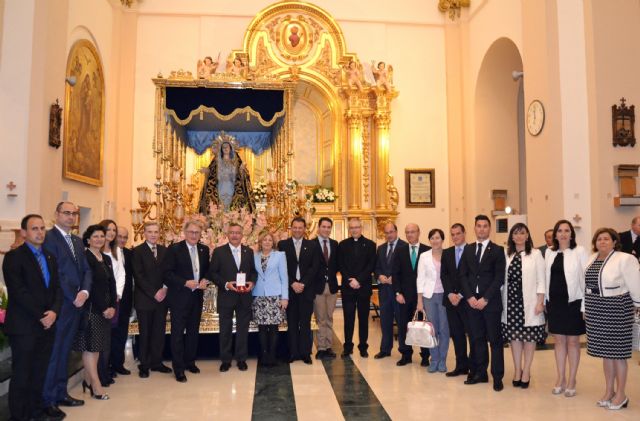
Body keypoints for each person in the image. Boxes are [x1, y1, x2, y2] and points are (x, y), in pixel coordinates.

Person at [2, 214, 62, 421]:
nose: (40, 232)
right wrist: (41, 315)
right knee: (22, 374)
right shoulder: (14, 257)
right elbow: (19, 291)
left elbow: (57, 289)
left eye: (42, 228)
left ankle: (36, 412)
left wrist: (54, 312)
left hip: (47, 325)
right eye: (34, 228)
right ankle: (19, 416)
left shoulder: (50, 257)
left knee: (39, 372)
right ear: (24, 232)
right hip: (24, 326)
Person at [42, 202, 91, 418]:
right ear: (57, 214)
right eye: (67, 213)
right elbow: (56, 273)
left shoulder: (77, 241)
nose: (71, 217)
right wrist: (73, 296)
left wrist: (85, 292)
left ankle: (61, 393)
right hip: (61, 305)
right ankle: (48, 399)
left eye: (74, 214)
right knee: (54, 354)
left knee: (65, 352)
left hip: (76, 304)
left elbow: (86, 270)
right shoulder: (49, 239)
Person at [584, 228, 640, 410]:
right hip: (595, 309)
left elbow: (636, 284)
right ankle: (609, 391)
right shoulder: (592, 258)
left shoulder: (625, 259)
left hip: (617, 309)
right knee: (606, 355)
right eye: (599, 239)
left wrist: (638, 305)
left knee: (618, 354)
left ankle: (621, 394)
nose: (602, 242)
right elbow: (586, 286)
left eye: (606, 239)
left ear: (614, 242)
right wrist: (585, 308)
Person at [459, 215, 506, 392]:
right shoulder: (468, 249)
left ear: (489, 229)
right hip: (472, 302)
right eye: (479, 226)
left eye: (485, 226)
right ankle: (480, 373)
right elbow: (462, 275)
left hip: (490, 303)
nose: (482, 229)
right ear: (474, 228)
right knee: (477, 339)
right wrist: (469, 297)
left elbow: (499, 277)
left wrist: (485, 299)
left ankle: (497, 376)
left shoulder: (498, 250)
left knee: (495, 340)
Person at [544, 219, 588, 397]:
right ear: (555, 234)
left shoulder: (579, 251)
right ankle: (561, 378)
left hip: (573, 303)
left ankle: (572, 379)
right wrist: (544, 300)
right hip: (555, 303)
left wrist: (585, 305)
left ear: (571, 234)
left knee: (573, 342)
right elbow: (545, 277)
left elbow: (585, 279)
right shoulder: (549, 252)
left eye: (566, 230)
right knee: (559, 341)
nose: (563, 234)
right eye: (560, 231)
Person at [164, 220, 210, 383]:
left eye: (197, 232)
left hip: (196, 298)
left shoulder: (204, 249)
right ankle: (178, 369)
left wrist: (205, 280)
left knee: (193, 332)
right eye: (191, 232)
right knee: (177, 334)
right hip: (179, 298)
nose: (194, 235)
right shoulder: (174, 249)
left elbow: (207, 271)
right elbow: (167, 274)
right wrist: (184, 282)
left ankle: (190, 362)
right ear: (185, 233)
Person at [500, 223, 546, 389]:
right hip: (510, 302)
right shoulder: (507, 254)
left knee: (529, 337)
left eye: (522, 233)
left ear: (527, 236)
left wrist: (540, 301)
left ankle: (526, 371)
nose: (519, 236)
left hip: (530, 302)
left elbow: (541, 279)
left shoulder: (535, 254)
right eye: (516, 233)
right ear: (511, 237)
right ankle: (517, 370)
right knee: (514, 338)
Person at [74, 224, 117, 401]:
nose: (99, 239)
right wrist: (103, 308)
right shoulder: (86, 258)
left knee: (97, 347)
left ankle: (87, 380)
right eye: (95, 236)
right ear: (88, 239)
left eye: (102, 236)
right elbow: (89, 286)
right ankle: (96, 385)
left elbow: (112, 284)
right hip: (92, 309)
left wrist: (113, 305)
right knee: (91, 348)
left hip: (106, 308)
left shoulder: (105, 258)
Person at [208, 222, 257, 372]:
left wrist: (252, 282)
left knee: (243, 329)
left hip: (244, 297)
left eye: (237, 233)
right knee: (225, 330)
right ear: (227, 234)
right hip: (226, 296)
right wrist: (226, 284)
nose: (235, 235)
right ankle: (226, 360)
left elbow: (253, 272)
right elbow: (212, 273)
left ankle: (241, 359)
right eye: (232, 232)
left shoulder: (249, 251)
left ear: (242, 235)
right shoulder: (219, 252)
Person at [132, 222, 171, 378]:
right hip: (145, 299)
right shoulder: (137, 251)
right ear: (144, 233)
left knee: (159, 333)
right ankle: (144, 365)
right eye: (150, 231)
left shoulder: (165, 251)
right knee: (145, 333)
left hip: (162, 298)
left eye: (156, 232)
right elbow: (138, 276)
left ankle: (157, 362)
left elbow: (169, 272)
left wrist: (165, 289)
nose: (153, 234)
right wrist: (154, 293)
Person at [278, 217, 319, 364]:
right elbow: (281, 268)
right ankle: (293, 352)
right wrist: (292, 283)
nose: (297, 230)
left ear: (304, 229)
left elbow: (314, 267)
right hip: (290, 291)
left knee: (305, 323)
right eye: (294, 227)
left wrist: (302, 283)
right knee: (292, 323)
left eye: (300, 227)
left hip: (306, 290)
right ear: (291, 228)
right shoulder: (283, 245)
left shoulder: (312, 245)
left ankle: (305, 353)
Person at [392, 223, 430, 366]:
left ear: (418, 233)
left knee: (422, 326)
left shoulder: (427, 250)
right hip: (404, 297)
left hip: (422, 297)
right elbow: (395, 274)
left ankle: (425, 356)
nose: (410, 234)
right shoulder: (400, 251)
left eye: (412, 232)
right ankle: (406, 355)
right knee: (404, 327)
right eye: (407, 232)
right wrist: (398, 293)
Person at [338, 217, 376, 358]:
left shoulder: (371, 245)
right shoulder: (342, 245)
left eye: (357, 227)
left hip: (363, 287)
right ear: (349, 229)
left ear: (361, 228)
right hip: (348, 288)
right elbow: (341, 265)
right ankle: (348, 347)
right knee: (348, 319)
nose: (354, 230)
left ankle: (363, 347)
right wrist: (351, 280)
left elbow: (371, 265)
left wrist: (359, 280)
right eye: (352, 227)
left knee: (363, 319)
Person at [440, 223, 473, 378]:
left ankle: (473, 366)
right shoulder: (447, 253)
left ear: (464, 233)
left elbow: (472, 276)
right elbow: (444, 275)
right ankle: (461, 366)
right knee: (457, 334)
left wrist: (460, 295)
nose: (455, 237)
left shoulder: (472, 250)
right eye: (452, 234)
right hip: (450, 301)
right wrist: (450, 294)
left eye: (458, 233)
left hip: (467, 300)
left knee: (472, 334)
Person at [252, 231, 288, 366]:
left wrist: (285, 297)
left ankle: (272, 355)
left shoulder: (279, 255)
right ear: (260, 242)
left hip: (275, 296)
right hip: (259, 296)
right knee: (261, 328)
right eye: (264, 240)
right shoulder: (254, 256)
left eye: (270, 240)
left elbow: (284, 278)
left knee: (273, 328)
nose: (267, 242)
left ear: (273, 243)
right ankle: (264, 355)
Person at [416, 229, 450, 373]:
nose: (435, 240)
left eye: (438, 238)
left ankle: (442, 360)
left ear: (442, 239)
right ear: (429, 240)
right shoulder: (424, 256)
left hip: (444, 296)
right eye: (432, 238)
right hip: (428, 297)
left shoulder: (448, 254)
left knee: (444, 329)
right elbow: (420, 278)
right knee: (432, 329)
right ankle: (434, 359)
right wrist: (419, 300)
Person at [97, 219, 124, 387]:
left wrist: (117, 294)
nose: (112, 233)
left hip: (114, 299)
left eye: (114, 230)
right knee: (99, 337)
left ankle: (106, 370)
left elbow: (121, 274)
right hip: (99, 300)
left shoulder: (117, 251)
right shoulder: (94, 251)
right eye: (108, 229)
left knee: (109, 336)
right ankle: (98, 373)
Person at [373, 222, 405, 359]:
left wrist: (396, 278)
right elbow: (376, 267)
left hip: (399, 292)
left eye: (391, 232)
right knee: (385, 321)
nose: (389, 235)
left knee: (401, 322)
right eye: (386, 233)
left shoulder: (404, 246)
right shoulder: (381, 248)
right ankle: (385, 349)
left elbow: (407, 270)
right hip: (384, 291)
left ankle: (404, 351)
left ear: (396, 232)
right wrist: (379, 276)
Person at [198, 138, 255, 213]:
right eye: (223, 147)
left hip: (231, 186)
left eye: (227, 147)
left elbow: (240, 176)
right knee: (221, 204)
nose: (225, 148)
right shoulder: (217, 160)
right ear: (221, 149)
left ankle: (230, 217)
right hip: (221, 186)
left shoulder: (236, 160)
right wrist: (207, 171)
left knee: (230, 203)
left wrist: (242, 170)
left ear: (230, 148)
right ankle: (220, 218)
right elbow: (211, 172)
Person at [313, 217, 340, 360]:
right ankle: (321, 348)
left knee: (329, 317)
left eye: (329, 227)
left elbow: (337, 264)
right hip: (317, 287)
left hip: (332, 286)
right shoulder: (311, 244)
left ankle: (328, 347)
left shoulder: (335, 244)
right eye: (323, 226)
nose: (326, 229)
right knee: (320, 318)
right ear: (319, 227)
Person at [110, 226, 133, 376]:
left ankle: (119, 364)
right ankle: (108, 366)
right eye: (120, 236)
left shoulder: (130, 254)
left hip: (126, 301)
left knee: (122, 333)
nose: (123, 240)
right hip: (112, 300)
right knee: (110, 334)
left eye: (125, 237)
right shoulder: (107, 252)